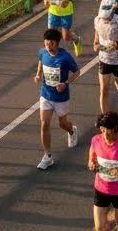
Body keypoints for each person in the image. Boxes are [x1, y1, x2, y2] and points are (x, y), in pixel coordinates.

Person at [35, 27, 81, 169]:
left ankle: (72, 130)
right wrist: (38, 74)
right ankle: (47, 156)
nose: (49, 45)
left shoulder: (65, 57)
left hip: (61, 97)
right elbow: (41, 61)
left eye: (52, 43)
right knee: (44, 124)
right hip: (46, 95)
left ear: (58, 43)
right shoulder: (43, 52)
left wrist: (65, 83)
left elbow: (77, 72)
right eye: (46, 43)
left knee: (62, 124)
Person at [88, 112, 118, 231]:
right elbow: (92, 157)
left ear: (115, 128)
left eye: (107, 129)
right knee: (100, 227)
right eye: (102, 128)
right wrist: (91, 163)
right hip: (101, 190)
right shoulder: (96, 140)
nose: (104, 132)